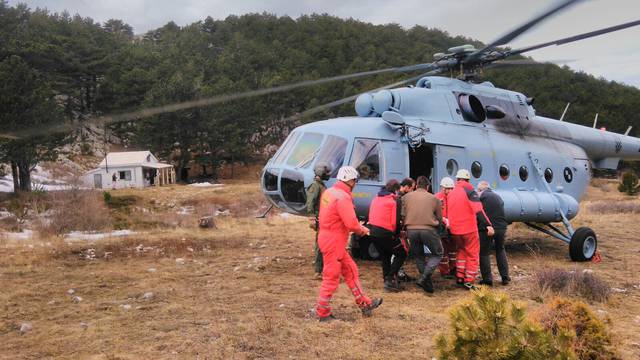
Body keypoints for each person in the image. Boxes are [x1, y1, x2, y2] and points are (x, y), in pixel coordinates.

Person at [315, 166, 383, 321]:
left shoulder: (329, 192)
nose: (355, 183)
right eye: (355, 181)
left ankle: (364, 303)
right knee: (331, 277)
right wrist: (363, 230)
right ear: (351, 181)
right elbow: (351, 224)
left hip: (328, 238)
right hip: (334, 241)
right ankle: (323, 313)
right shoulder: (343, 198)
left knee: (351, 270)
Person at [447, 169, 493, 290]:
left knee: (461, 251)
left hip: (455, 230)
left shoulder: (451, 192)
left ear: (457, 179)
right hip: (468, 229)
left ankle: (460, 277)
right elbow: (478, 209)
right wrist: (488, 224)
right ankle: (469, 281)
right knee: (472, 255)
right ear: (468, 180)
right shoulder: (470, 190)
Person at [401, 176, 443, 293]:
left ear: (416, 185)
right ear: (428, 186)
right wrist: (439, 229)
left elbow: (402, 214)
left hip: (411, 230)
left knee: (419, 256)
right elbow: (439, 218)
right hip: (428, 230)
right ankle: (424, 278)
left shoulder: (406, 197)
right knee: (437, 254)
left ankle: (427, 285)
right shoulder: (434, 199)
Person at [368, 179, 407, 292]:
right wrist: (397, 233)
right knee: (401, 253)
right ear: (395, 189)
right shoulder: (394, 200)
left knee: (386, 255)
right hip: (385, 232)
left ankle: (387, 280)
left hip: (373, 232)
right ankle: (390, 279)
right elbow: (395, 220)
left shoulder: (376, 198)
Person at [477, 181, 511, 286]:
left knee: (484, 252)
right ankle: (505, 277)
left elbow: (478, 213)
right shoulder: (498, 196)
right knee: (500, 249)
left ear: (480, 190)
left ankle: (487, 280)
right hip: (501, 227)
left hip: (487, 228)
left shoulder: (481, 197)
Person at [306, 163, 330, 280]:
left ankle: (322, 270)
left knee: (324, 244)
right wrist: (312, 218)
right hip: (320, 219)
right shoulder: (315, 186)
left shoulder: (321, 185)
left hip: (324, 218)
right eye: (326, 173)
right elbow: (310, 202)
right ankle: (318, 271)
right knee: (320, 245)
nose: (328, 175)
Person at [435, 177, 456, 278]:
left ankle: (453, 268)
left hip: (453, 227)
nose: (449, 191)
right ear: (442, 188)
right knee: (443, 250)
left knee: (453, 250)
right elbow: (433, 213)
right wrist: (444, 220)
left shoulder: (455, 197)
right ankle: (444, 271)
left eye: (451, 188)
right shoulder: (437, 198)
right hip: (441, 227)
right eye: (447, 188)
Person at [396, 177, 416, 282]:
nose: (413, 191)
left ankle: (399, 272)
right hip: (398, 229)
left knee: (402, 250)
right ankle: (398, 273)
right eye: (412, 189)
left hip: (398, 228)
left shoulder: (397, 195)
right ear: (407, 187)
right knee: (400, 250)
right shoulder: (400, 198)